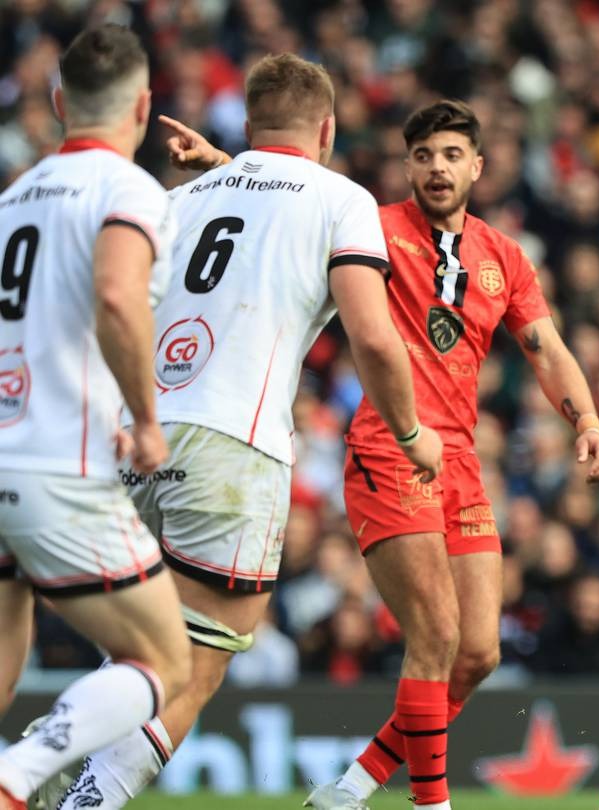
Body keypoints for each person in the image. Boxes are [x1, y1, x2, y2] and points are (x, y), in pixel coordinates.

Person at [157, 99, 599, 810]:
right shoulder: (369, 221)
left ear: (479, 166)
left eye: (452, 154)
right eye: (424, 155)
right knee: (433, 634)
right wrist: (221, 165)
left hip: (460, 460)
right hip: (387, 445)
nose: (438, 167)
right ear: (407, 165)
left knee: (478, 654)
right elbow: (290, 197)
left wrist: (587, 416)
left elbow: (546, 348)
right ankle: (431, 803)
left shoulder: (505, 257)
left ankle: (352, 786)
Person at [35, 53, 442, 810]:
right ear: (327, 128)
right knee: (196, 665)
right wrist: (413, 431)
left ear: (248, 126)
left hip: (133, 437)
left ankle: (42, 771)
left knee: (137, 658)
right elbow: (376, 338)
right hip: (234, 446)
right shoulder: (341, 198)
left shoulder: (175, 197)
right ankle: (67, 788)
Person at [0, 25, 191, 810]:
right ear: (144, 106)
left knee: (8, 630)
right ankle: (13, 779)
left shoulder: (13, 197)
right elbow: (117, 294)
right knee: (161, 660)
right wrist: (146, 420)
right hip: (56, 463)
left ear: (56, 103)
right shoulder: (127, 189)